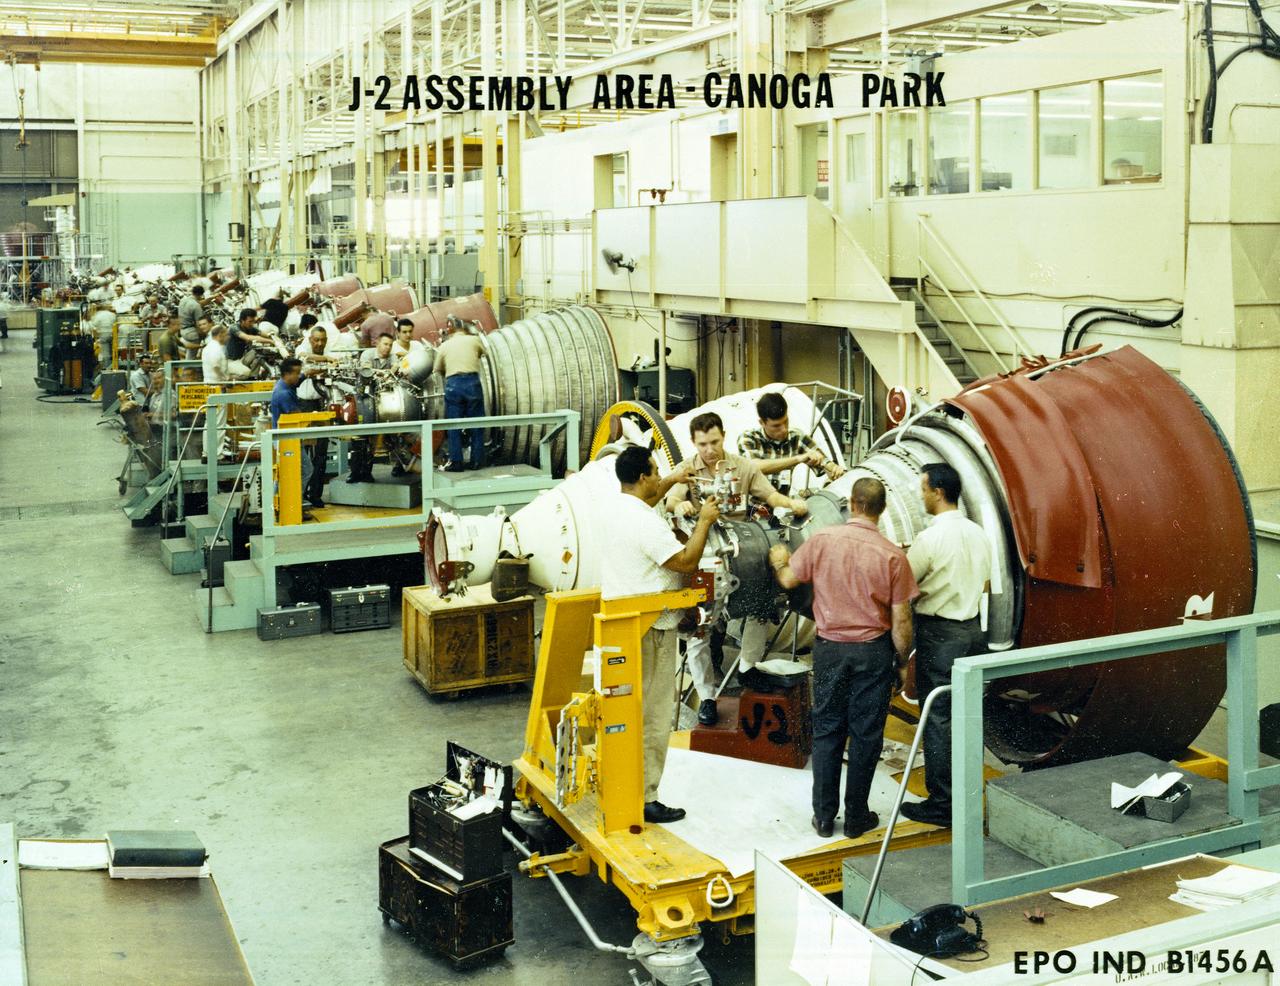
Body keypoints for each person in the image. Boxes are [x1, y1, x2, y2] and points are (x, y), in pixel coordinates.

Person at [768, 477, 919, 840]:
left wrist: (778, 559)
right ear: (881, 510)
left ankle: (823, 817)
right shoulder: (893, 556)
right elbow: (901, 621)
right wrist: (900, 662)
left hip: (830, 649)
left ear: (852, 504)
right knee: (866, 735)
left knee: (827, 729)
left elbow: (789, 580)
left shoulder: (821, 540)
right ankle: (855, 818)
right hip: (872, 652)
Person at [663, 411, 811, 725]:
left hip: (745, 554)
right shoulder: (687, 470)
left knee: (759, 610)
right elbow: (670, 502)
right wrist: (681, 504)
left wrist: (789, 503)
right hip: (706, 557)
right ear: (694, 442)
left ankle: (747, 668)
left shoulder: (742, 467)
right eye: (702, 444)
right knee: (699, 630)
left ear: (723, 436)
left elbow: (768, 493)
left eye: (714, 442)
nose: (709, 449)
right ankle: (706, 696)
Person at [602, 446, 720, 825]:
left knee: (626, 711)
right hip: (650, 627)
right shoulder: (644, 522)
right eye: (655, 472)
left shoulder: (618, 506)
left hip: (624, 621)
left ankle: (624, 783)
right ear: (641, 477)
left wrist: (675, 478)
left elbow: (652, 496)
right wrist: (704, 521)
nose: (658, 478)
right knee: (653, 715)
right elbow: (684, 561)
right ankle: (646, 797)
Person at [899, 463, 990, 828]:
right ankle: (966, 796)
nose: (920, 495)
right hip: (972, 630)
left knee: (937, 717)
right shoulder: (978, 533)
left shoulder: (930, 539)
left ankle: (942, 804)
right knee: (966, 718)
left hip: (940, 634)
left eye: (922, 489)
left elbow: (903, 587)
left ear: (937, 492)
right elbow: (985, 585)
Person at [737, 391, 846, 497]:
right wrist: (798, 459)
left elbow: (824, 462)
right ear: (762, 423)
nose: (784, 429)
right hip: (753, 510)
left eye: (786, 421)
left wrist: (834, 470)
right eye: (776, 426)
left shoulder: (797, 437)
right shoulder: (748, 439)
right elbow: (754, 467)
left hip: (782, 509)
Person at [433, 317, 487, 472]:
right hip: (472, 383)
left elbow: (436, 369)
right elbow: (485, 353)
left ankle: (456, 462)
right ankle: (477, 461)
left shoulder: (445, 345)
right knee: (477, 424)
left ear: (449, 331)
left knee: (453, 426)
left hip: (453, 385)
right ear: (464, 328)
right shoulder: (474, 340)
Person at [269, 357, 315, 500]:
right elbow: (296, 416)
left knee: (283, 474)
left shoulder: (284, 385)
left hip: (285, 438)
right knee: (306, 470)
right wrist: (315, 418)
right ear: (287, 374)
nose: (298, 376)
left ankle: (278, 502)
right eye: (297, 373)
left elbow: (300, 378)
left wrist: (309, 373)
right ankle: (292, 501)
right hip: (286, 440)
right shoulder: (283, 394)